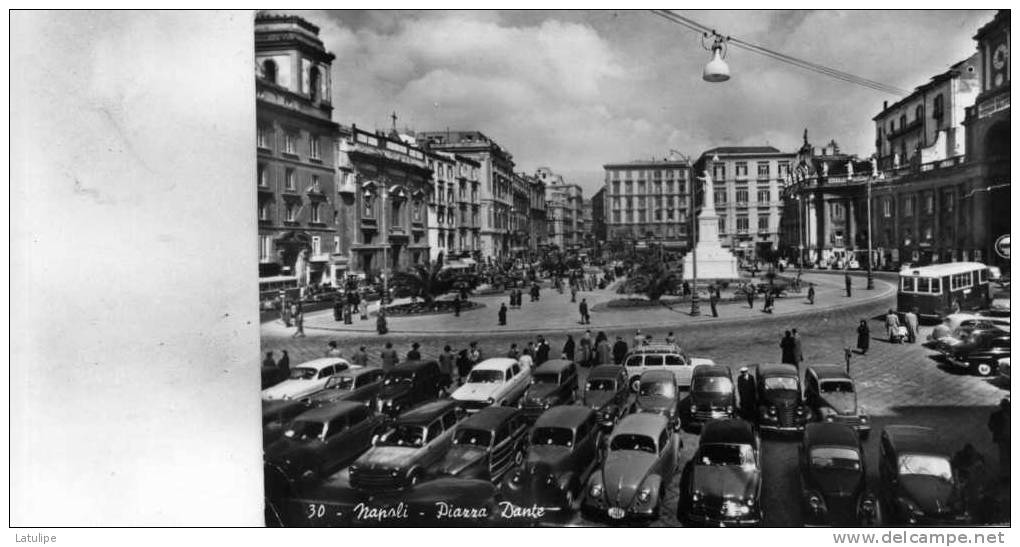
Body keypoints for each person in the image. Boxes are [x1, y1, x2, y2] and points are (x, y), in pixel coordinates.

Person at [988, 398, 1010, 478]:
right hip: (1003, 438)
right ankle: (1005, 474)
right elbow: (991, 425)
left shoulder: (996, 415)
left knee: (1006, 456)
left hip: (1005, 438)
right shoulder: (996, 415)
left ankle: (1006, 473)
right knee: (1004, 456)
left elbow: (991, 426)